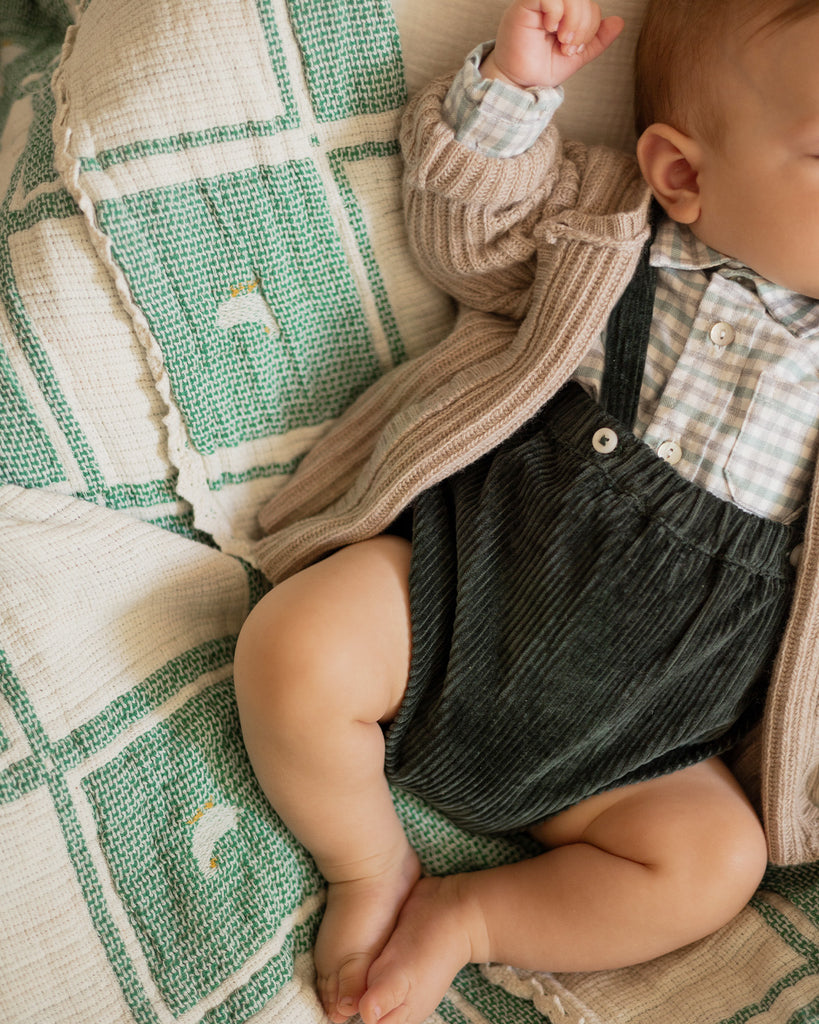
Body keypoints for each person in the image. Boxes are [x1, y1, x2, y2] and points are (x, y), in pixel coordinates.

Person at [234, 1, 819, 1022]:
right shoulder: (611, 228)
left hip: (637, 756)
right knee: (292, 647)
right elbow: (469, 237)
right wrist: (516, 92)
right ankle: (369, 864)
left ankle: (473, 917)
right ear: (682, 175)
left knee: (718, 862)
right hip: (452, 608)